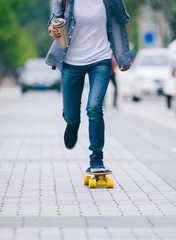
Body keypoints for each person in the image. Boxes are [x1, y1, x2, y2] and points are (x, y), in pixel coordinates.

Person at [45, 0, 131, 173]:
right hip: (70, 61)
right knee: (71, 114)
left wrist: (123, 54)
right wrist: (53, 30)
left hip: (100, 59)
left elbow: (122, 20)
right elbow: (53, 22)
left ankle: (96, 158)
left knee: (94, 108)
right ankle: (72, 123)